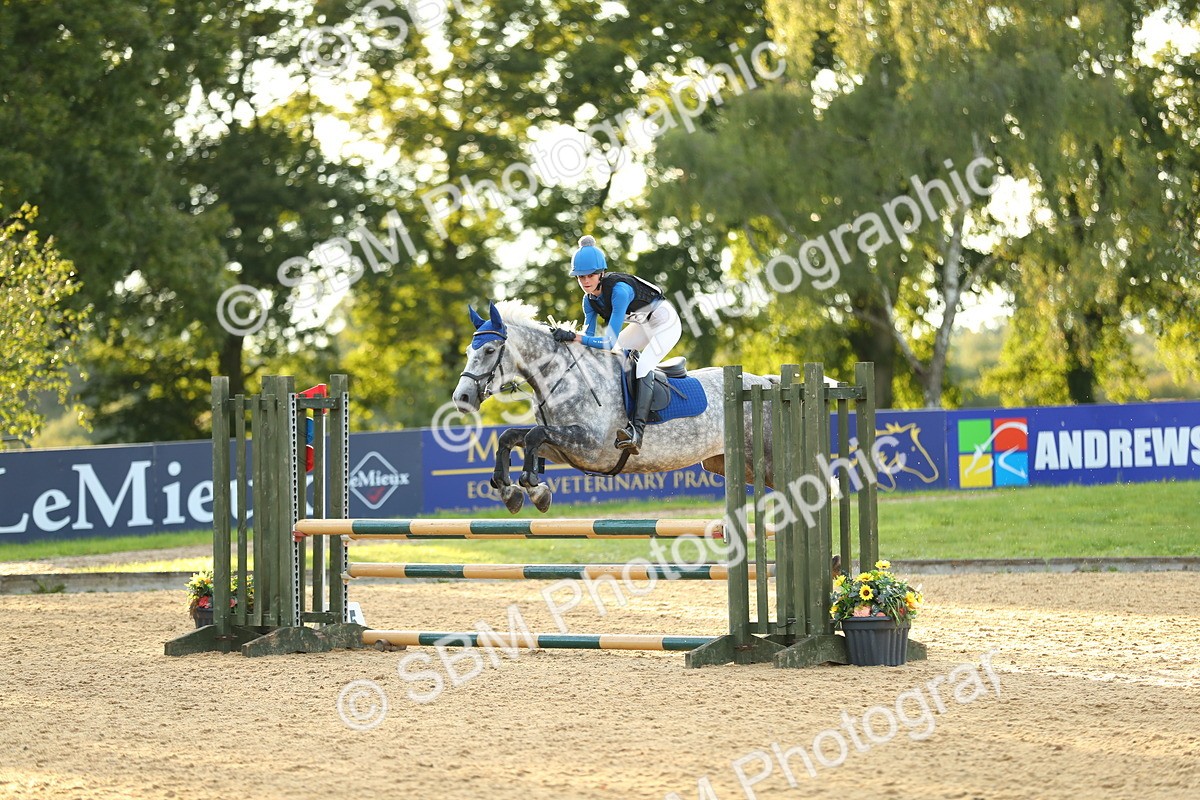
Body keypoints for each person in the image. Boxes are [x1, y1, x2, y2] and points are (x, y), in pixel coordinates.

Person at [551, 234, 682, 455]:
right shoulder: (589, 300)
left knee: (643, 366)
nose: (585, 281)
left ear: (601, 273)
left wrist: (575, 337)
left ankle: (637, 432)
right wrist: (567, 342)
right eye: (580, 277)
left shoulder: (619, 291)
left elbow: (608, 340)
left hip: (664, 321)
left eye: (590, 275)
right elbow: (589, 338)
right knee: (611, 357)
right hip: (643, 324)